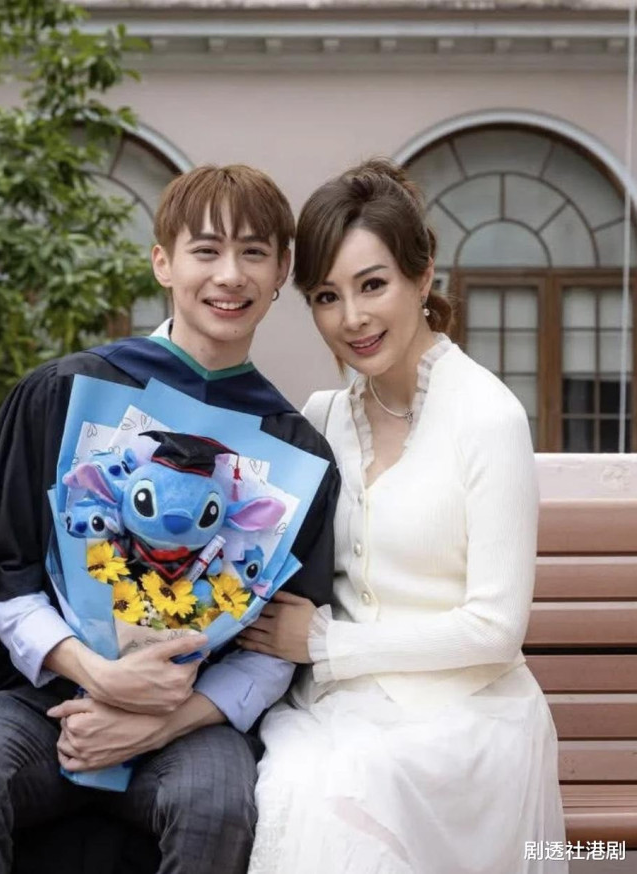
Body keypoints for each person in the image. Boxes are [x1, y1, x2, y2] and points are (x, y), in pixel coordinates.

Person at [0, 165, 339, 874]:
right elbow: (6, 573)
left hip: (188, 721)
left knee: (218, 799)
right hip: (45, 701)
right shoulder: (67, 392)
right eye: (205, 250)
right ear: (163, 263)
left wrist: (160, 722)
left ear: (281, 273)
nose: (229, 275)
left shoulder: (293, 451)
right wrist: (96, 675)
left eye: (254, 253)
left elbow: (273, 646)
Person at [238, 159, 566, 874]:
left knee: (345, 794)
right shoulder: (323, 419)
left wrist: (326, 643)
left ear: (423, 277)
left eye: (373, 284)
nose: (351, 318)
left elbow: (495, 630)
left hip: (465, 721)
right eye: (327, 296)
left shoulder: (488, 418)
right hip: (339, 713)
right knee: (289, 784)